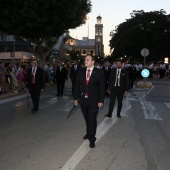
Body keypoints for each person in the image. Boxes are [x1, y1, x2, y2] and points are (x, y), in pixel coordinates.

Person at [74, 54, 105, 148]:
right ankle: (89, 133)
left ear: (93, 62)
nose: (85, 61)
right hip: (83, 100)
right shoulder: (81, 71)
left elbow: (102, 87)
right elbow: (76, 85)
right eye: (85, 59)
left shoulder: (99, 72)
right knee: (87, 118)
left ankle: (92, 139)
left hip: (94, 100)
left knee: (92, 119)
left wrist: (101, 100)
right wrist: (75, 98)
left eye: (87, 59)